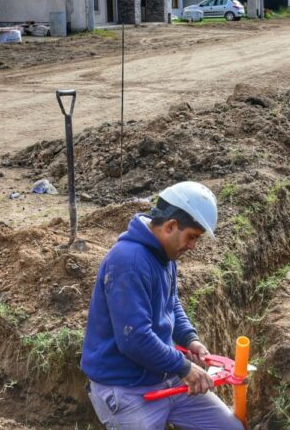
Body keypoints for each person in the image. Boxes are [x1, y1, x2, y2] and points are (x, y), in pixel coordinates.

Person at [80, 181, 244, 430]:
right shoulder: (129, 262)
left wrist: (190, 339)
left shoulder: (164, 255)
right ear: (170, 226)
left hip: (163, 376)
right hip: (126, 389)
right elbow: (134, 339)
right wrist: (183, 367)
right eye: (192, 237)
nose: (193, 246)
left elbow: (171, 302)